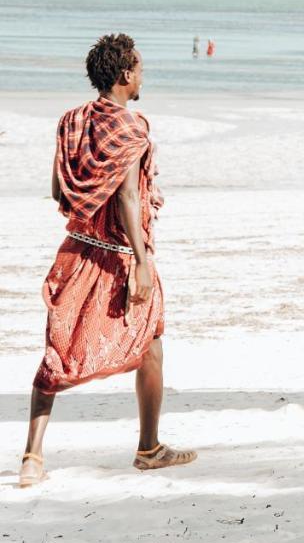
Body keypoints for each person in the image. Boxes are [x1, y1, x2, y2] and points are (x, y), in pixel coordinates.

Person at [18, 34, 196, 488]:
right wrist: (140, 260)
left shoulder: (71, 121)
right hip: (118, 254)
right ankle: (149, 449)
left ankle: (32, 458)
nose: (142, 76)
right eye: (139, 68)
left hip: (76, 250)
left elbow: (61, 191)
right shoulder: (132, 128)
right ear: (124, 75)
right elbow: (129, 196)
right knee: (150, 344)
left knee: (58, 349)